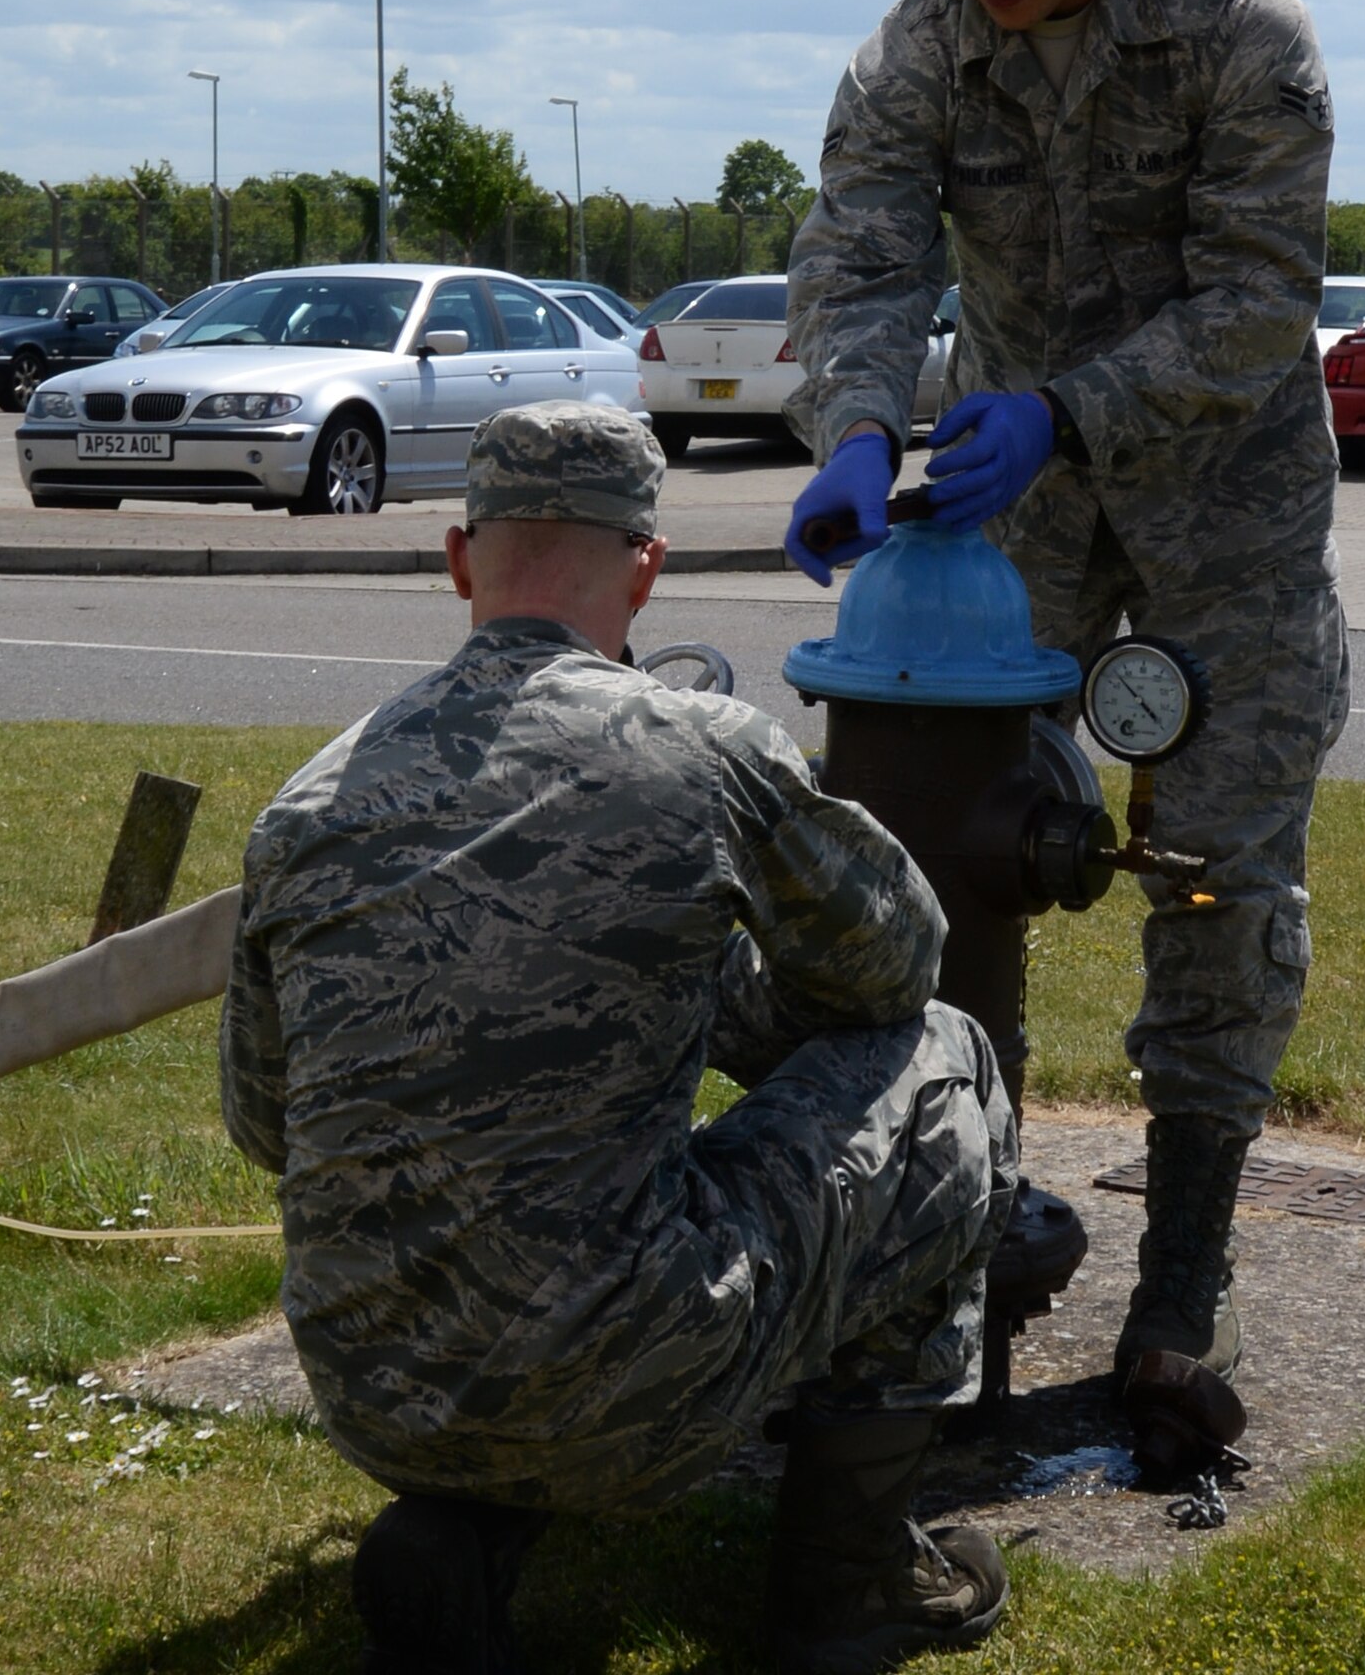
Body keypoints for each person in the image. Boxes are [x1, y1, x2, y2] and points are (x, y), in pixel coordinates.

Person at [221, 398, 1018, 1675]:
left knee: (535, 1210)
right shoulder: (698, 749)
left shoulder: (308, 798)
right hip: (635, 1385)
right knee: (945, 1065)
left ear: (458, 556)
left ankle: (469, 1531)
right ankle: (849, 1580)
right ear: (648, 566)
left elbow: (266, 1121)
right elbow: (895, 965)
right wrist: (723, 982)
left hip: (375, 1387)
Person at [783, 0, 1350, 1415]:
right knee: (951, 866)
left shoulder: (1242, 32)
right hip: (1000, 520)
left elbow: (1259, 298)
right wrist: (852, 424)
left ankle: (1180, 1287)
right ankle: (958, 1242)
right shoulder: (917, 52)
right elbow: (861, 255)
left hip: (1220, 513)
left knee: (1211, 873)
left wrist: (1068, 408)